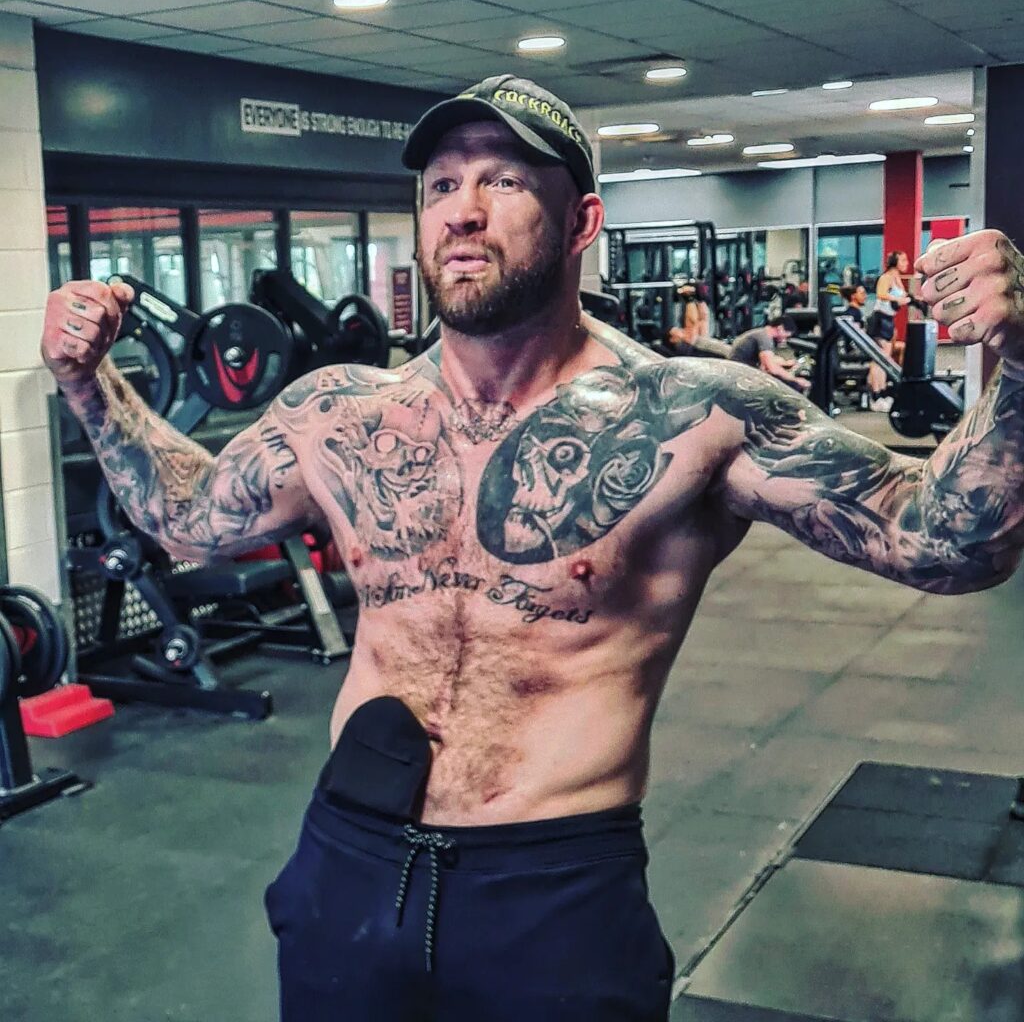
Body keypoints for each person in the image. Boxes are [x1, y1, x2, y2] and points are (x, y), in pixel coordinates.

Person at [41, 73, 1024, 1022]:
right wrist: (87, 379)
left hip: (553, 893)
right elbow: (189, 517)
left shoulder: (693, 417)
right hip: (350, 865)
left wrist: (1019, 356)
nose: (463, 211)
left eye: (503, 180)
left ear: (581, 222)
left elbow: (945, 542)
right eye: (441, 186)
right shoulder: (335, 414)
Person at [867, 250, 912, 411]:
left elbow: (902, 298)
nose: (906, 263)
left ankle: (883, 393)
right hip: (880, 319)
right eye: (903, 260)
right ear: (895, 262)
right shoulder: (886, 277)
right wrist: (899, 299)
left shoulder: (897, 278)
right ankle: (875, 396)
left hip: (889, 319)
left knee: (885, 359)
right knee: (878, 359)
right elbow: (881, 294)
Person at [728, 315, 810, 392]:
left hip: (742, 370)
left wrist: (786, 363)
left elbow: (770, 358)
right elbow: (771, 368)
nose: (784, 340)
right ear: (780, 328)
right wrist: (795, 379)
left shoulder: (761, 333)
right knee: (794, 385)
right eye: (785, 336)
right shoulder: (764, 338)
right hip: (741, 374)